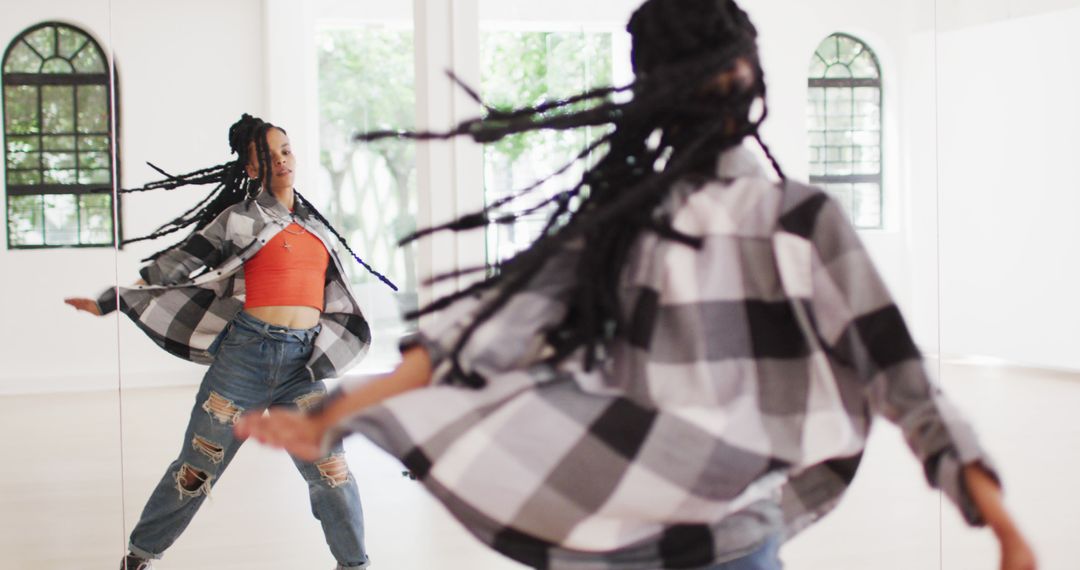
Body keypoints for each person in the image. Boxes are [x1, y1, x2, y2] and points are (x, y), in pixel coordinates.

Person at [236, 1, 1037, 569]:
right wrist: (999, 521)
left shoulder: (619, 224)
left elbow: (473, 340)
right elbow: (902, 376)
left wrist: (339, 412)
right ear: (749, 74)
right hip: (736, 538)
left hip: (616, 537)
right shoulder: (797, 219)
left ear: (648, 93)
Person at [65, 114, 390, 570]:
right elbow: (178, 262)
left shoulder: (316, 225)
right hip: (244, 361)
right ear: (252, 168)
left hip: (303, 367)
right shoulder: (237, 219)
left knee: (331, 473)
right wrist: (113, 299)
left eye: (286, 150)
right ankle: (139, 557)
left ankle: (354, 565)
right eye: (267, 155)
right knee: (196, 470)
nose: (281, 160)